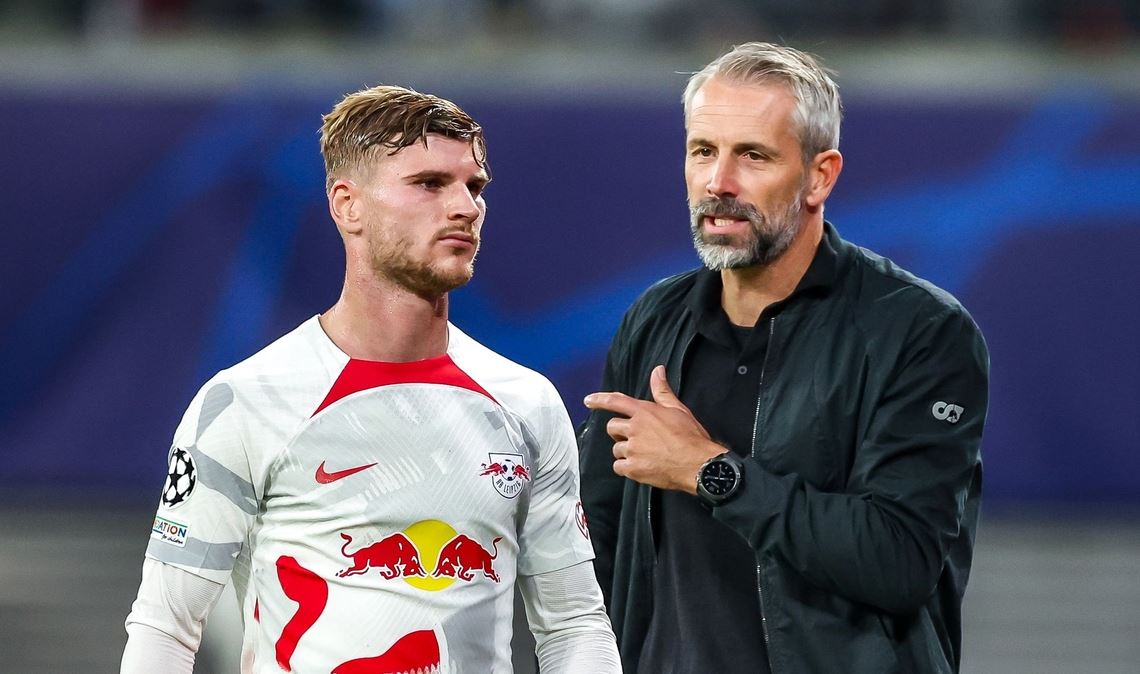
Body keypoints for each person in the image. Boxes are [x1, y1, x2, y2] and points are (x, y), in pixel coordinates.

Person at [121, 84, 621, 674]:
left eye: (474, 186)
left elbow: (574, 625)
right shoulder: (243, 402)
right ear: (347, 205)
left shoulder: (527, 403)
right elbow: (165, 629)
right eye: (430, 184)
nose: (465, 206)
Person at [579, 42, 988, 673]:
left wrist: (711, 472)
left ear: (819, 176)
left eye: (753, 156)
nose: (719, 182)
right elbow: (595, 543)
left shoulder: (919, 331)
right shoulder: (653, 321)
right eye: (702, 151)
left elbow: (899, 559)